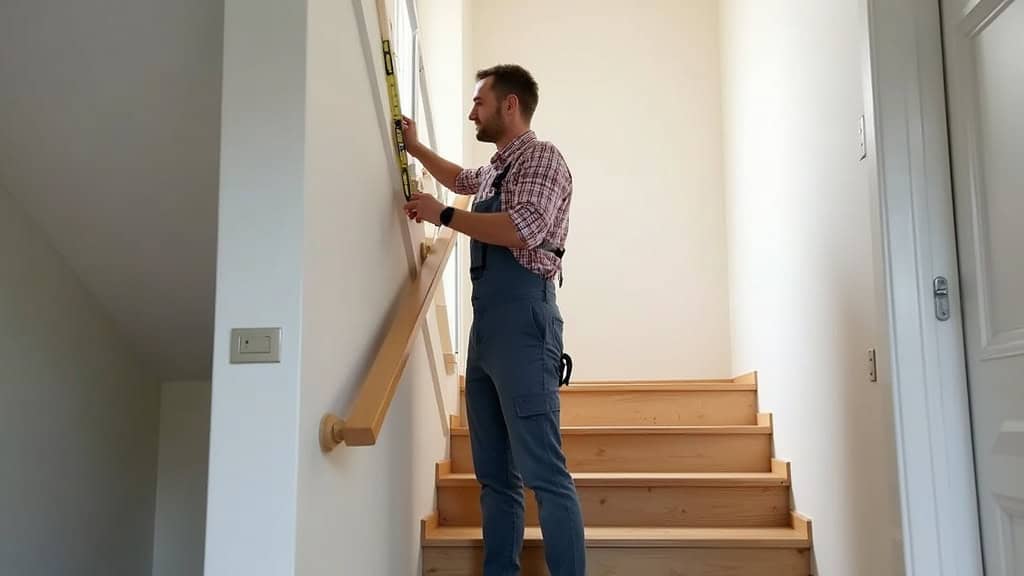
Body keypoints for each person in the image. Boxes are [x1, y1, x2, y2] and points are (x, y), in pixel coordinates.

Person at [401, 64, 585, 576]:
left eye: (479, 101)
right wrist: (416, 150)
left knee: (543, 473)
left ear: (510, 105)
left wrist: (443, 215)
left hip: (526, 319)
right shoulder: (498, 168)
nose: (471, 111)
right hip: (487, 329)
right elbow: (461, 179)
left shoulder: (542, 158)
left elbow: (522, 229)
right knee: (494, 477)